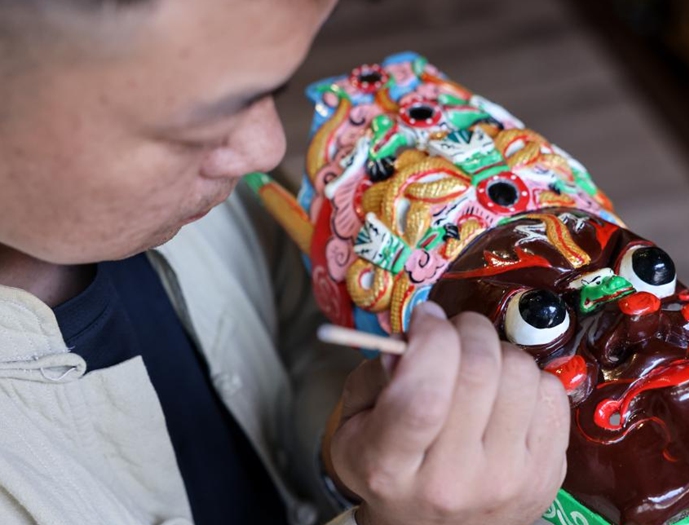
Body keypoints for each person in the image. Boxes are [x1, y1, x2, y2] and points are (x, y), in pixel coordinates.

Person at [0, 1, 570, 525]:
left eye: (268, 90)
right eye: (201, 124)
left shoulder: (192, 202)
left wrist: (348, 455)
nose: (266, 149)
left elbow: (300, 336)